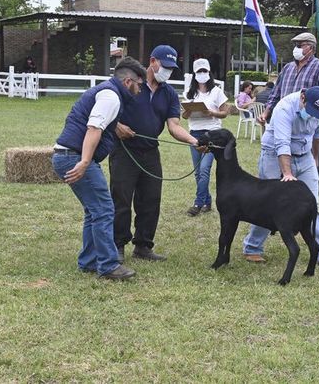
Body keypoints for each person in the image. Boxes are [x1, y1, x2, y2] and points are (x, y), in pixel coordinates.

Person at [51, 57, 146, 280]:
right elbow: (93, 128)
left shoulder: (107, 92)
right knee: (104, 209)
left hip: (65, 155)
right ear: (128, 82)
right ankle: (109, 265)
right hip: (74, 156)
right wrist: (84, 162)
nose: (140, 89)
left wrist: (116, 126)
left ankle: (89, 261)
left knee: (94, 211)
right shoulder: (111, 96)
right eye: (139, 84)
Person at [110, 45, 199, 263]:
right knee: (121, 198)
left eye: (171, 68)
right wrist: (116, 126)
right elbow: (106, 110)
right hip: (125, 151)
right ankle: (118, 245)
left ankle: (143, 245)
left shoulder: (168, 93)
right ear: (152, 61)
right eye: (165, 66)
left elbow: (174, 126)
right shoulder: (129, 84)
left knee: (151, 199)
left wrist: (193, 141)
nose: (167, 71)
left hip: (150, 152)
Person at [242, 86, 319, 267]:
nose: (312, 114)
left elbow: (318, 137)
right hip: (274, 154)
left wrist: (316, 160)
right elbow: (282, 144)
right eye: (309, 110)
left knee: (313, 204)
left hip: (304, 156)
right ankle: (252, 247)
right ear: (303, 97)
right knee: (267, 202)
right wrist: (286, 173)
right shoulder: (284, 108)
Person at [258, 32, 319, 176]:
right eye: (295, 45)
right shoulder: (287, 68)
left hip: (308, 127)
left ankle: (312, 196)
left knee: (312, 168)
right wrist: (265, 113)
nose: (296, 48)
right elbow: (275, 93)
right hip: (285, 122)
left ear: (311, 48)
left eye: (300, 45)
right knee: (282, 164)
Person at [183, 58, 229, 216]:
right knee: (197, 171)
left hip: (211, 134)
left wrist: (212, 113)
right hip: (194, 134)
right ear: (195, 74)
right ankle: (207, 201)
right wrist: (187, 112)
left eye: (205, 71)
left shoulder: (216, 92)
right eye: (199, 71)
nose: (202, 74)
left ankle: (198, 202)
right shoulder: (189, 93)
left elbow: (225, 112)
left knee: (204, 170)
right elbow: (183, 116)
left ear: (209, 72)